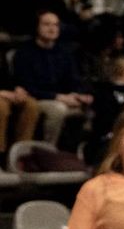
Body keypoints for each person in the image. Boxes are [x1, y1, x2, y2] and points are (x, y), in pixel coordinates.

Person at [13, 10, 92, 147]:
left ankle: (84, 150)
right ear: (36, 27)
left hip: (63, 97)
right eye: (46, 24)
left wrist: (79, 94)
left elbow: (74, 79)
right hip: (37, 99)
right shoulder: (24, 53)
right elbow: (26, 87)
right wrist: (58, 97)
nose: (52, 28)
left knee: (96, 103)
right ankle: (47, 149)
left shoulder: (64, 52)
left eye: (55, 25)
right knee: (58, 109)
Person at [0, 51, 40, 156]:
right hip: (2, 95)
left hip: (8, 93)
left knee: (31, 105)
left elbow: (7, 77)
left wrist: (17, 88)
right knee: (1, 107)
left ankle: (20, 153)